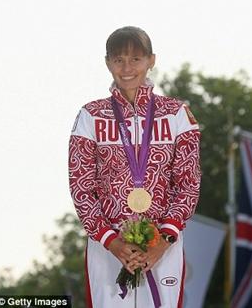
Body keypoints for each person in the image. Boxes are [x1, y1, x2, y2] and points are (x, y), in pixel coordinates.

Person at [68, 26, 201, 308]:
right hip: (108, 245)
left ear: (151, 60)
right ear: (108, 63)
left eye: (136, 59)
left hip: (163, 244)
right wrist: (112, 242)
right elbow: (81, 187)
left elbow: (188, 183)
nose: (127, 68)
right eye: (118, 60)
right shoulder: (90, 116)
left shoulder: (177, 114)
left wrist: (162, 241)